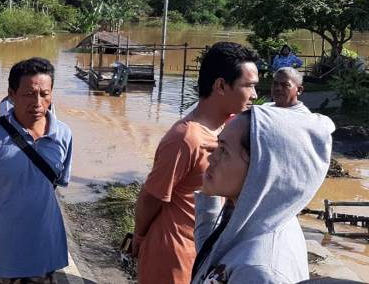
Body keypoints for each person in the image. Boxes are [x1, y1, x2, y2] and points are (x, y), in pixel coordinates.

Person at [131, 42, 259, 284]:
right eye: (248, 86)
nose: (254, 95)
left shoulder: (231, 130)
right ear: (221, 85)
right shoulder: (185, 138)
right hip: (175, 253)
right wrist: (139, 236)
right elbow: (152, 197)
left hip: (208, 249)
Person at [191, 105, 334, 283]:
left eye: (224, 150)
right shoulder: (266, 217)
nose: (211, 158)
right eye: (217, 145)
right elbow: (211, 257)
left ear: (261, 169)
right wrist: (207, 195)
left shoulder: (259, 272)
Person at [0, 57, 73, 283]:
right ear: (11, 95)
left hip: (42, 251)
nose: (37, 102)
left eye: (45, 94)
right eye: (28, 94)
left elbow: (56, 184)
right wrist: (1, 210)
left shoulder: (63, 135)